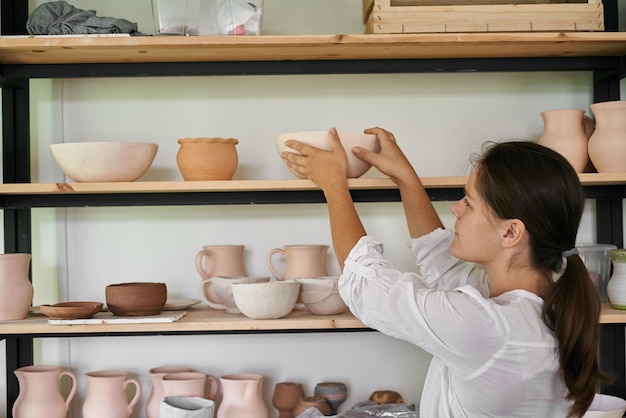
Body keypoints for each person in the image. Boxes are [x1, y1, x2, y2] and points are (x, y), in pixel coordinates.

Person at [280, 127, 611, 418]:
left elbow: (367, 287)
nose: (456, 208)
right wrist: (406, 179)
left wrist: (334, 186)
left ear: (510, 233)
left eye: (469, 202)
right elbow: (445, 267)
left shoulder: (493, 327)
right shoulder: (540, 302)